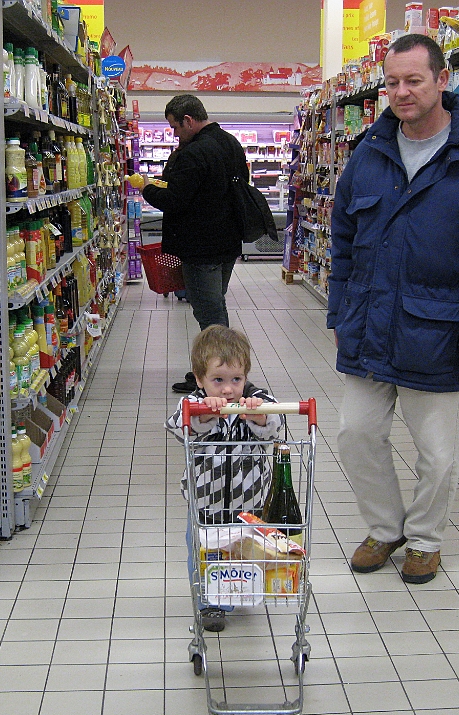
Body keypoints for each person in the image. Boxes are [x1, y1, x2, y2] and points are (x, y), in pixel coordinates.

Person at [327, 34, 459, 585]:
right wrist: (339, 311)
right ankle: (385, 527)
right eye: (392, 82)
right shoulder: (369, 152)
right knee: (356, 434)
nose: (401, 92)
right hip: (369, 324)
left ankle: (424, 540)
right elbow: (344, 239)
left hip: (438, 330)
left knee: (436, 453)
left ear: (443, 80)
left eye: (413, 80)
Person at [165, 325, 284, 631]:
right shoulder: (193, 403)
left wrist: (259, 416)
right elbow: (177, 426)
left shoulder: (257, 399)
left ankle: (239, 588)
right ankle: (209, 603)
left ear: (246, 376)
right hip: (206, 502)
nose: (228, 390)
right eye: (218, 380)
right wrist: (203, 414)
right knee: (203, 552)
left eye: (236, 380)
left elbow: (276, 424)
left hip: (249, 503)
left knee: (242, 551)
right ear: (199, 378)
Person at [132, 95, 248, 394]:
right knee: (216, 306)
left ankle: (221, 378)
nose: (175, 134)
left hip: (200, 246)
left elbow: (175, 200)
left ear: (188, 120)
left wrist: (147, 188)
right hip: (227, 243)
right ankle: (217, 372)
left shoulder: (194, 152)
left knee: (210, 315)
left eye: (175, 127)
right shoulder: (231, 143)